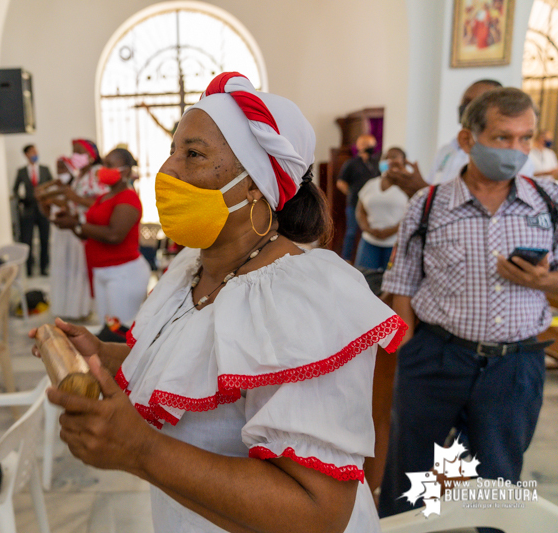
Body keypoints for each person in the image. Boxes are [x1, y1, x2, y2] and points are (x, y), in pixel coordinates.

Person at [33, 72, 406, 532]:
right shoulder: (191, 270)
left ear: (255, 185)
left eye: (192, 154)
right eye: (172, 152)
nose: (167, 171)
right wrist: (105, 358)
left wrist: (140, 450)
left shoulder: (301, 296)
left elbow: (318, 512)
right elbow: (206, 364)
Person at [379, 88, 556, 521]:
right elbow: (402, 285)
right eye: (502, 138)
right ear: (467, 140)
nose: (516, 151)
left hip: (515, 367)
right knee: (409, 476)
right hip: (437, 359)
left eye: (525, 138)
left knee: (497, 481)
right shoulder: (430, 204)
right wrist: (408, 356)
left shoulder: (548, 203)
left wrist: (546, 280)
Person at [52, 147, 150, 330]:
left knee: (121, 331)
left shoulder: (127, 198)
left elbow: (114, 235)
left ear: (125, 171)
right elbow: (86, 233)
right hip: (102, 271)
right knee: (108, 328)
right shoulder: (104, 197)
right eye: (103, 163)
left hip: (123, 273)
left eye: (109, 165)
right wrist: (71, 223)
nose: (102, 169)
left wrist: (78, 224)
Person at [388, 79, 535, 197]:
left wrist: (421, 190)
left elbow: (489, 205)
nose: (468, 108)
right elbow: (433, 189)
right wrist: (412, 187)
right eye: (465, 102)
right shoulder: (446, 150)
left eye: (476, 102)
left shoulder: (512, 157)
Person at [41, 139, 108, 320]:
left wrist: (75, 198)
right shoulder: (79, 176)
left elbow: (104, 202)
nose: (74, 156)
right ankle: (78, 309)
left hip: (91, 230)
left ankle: (89, 311)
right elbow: (75, 203)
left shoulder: (96, 173)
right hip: (78, 229)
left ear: (91, 156)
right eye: (73, 152)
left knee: (84, 274)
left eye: (79, 152)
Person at [354, 147, 410, 271]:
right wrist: (367, 228)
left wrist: (390, 231)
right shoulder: (371, 184)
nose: (389, 160)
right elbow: (360, 210)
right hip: (369, 241)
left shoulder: (408, 187)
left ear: (404, 162)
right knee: (363, 279)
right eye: (386, 157)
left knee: (391, 283)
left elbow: (411, 215)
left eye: (394, 157)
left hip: (395, 243)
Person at [337, 133, 378, 262]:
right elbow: (341, 182)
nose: (370, 147)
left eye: (372, 144)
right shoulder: (352, 163)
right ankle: (347, 259)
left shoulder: (375, 163)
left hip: (372, 205)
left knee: (369, 232)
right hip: (355, 203)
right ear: (360, 146)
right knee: (351, 232)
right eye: (367, 144)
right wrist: (352, 193)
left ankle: (366, 260)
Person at [13, 144, 53, 276]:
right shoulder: (22, 171)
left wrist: (48, 200)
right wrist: (22, 199)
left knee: (44, 239)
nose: (35, 154)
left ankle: (43, 268)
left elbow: (53, 186)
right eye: (32, 152)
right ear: (26, 155)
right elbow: (15, 190)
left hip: (43, 210)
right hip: (28, 210)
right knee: (27, 240)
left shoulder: (45, 170)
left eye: (36, 151)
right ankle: (29, 269)